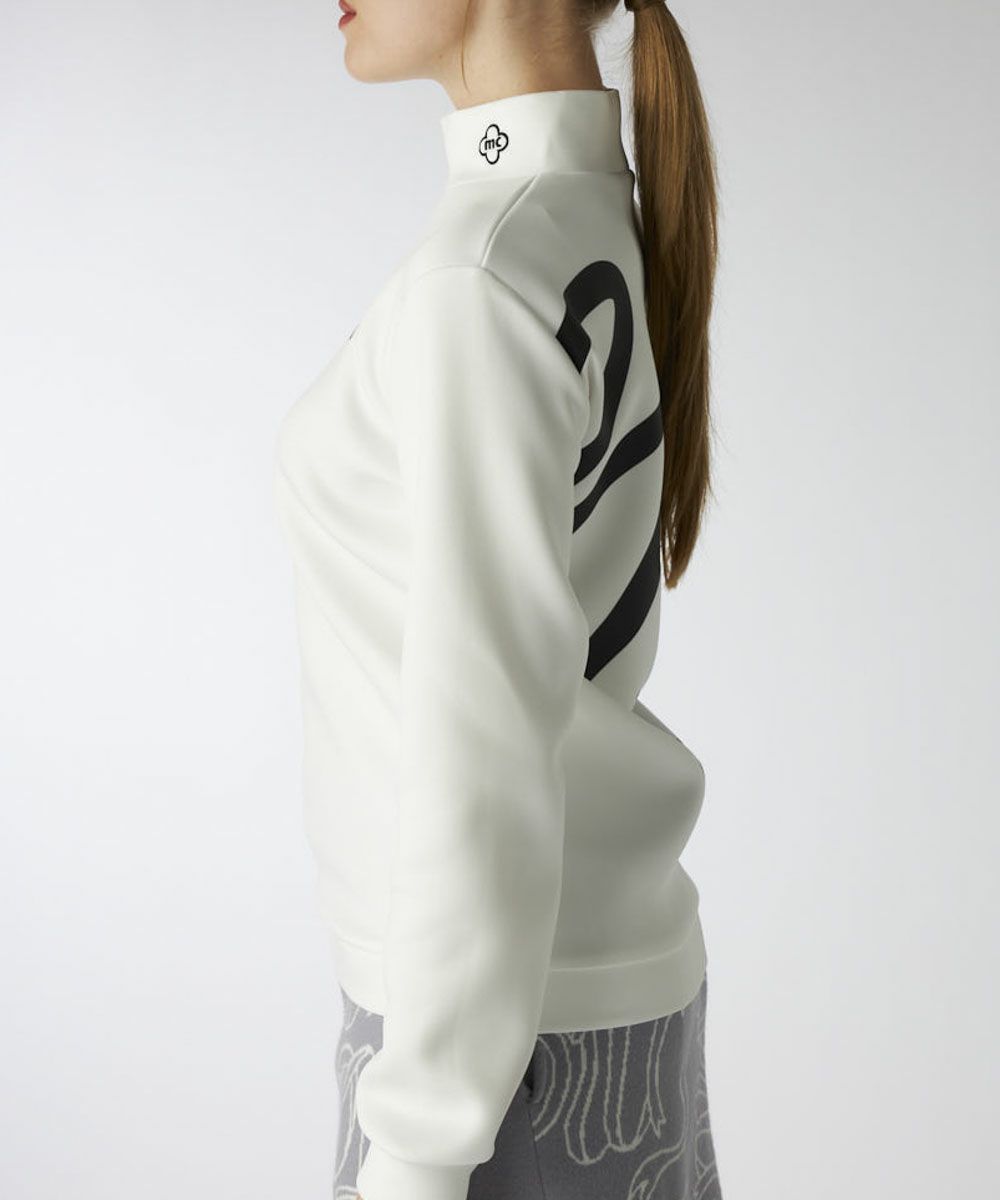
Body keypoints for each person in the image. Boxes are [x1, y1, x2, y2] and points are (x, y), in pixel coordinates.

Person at [272, 1, 722, 1197]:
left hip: (483, 1048)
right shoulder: (575, 216)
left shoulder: (476, 279)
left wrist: (419, 1149)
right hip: (579, 1004)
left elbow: (483, 740)